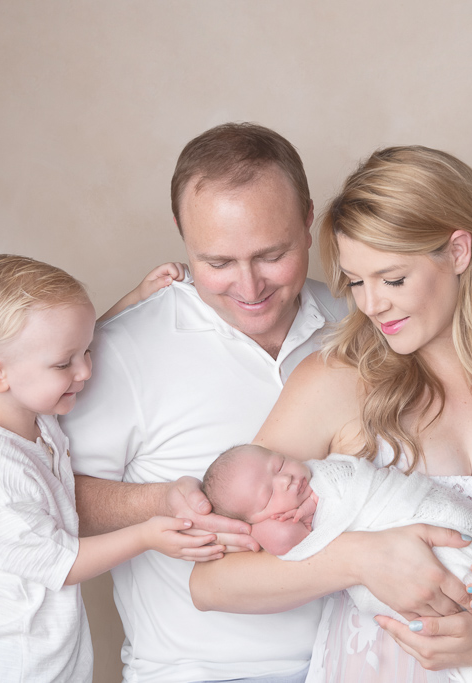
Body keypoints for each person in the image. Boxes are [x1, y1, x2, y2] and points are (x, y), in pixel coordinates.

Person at [191, 146, 472, 682]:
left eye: (392, 279)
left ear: (460, 251)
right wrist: (359, 559)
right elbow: (212, 584)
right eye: (355, 281)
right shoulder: (332, 383)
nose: (371, 305)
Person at [59, 123, 347, 683]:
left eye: (272, 255)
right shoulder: (118, 351)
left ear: (309, 219)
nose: (249, 286)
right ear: (181, 232)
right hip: (202, 671)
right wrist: (163, 503)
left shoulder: (360, 322)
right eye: (217, 263)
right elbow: (51, 498)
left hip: (364, 660)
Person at [0, 254, 203, 683]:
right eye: (65, 364)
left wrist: (136, 298)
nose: (86, 370)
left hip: (49, 648)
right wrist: (148, 534)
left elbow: (64, 344)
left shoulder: (21, 398)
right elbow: (63, 563)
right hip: (10, 664)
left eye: (85, 351)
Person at [203, 444, 472, 682]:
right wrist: (274, 524)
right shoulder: (283, 524)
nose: (286, 480)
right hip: (394, 574)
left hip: (410, 509)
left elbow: (368, 484)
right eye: (268, 495)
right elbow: (283, 546)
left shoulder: (327, 475)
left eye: (279, 464)